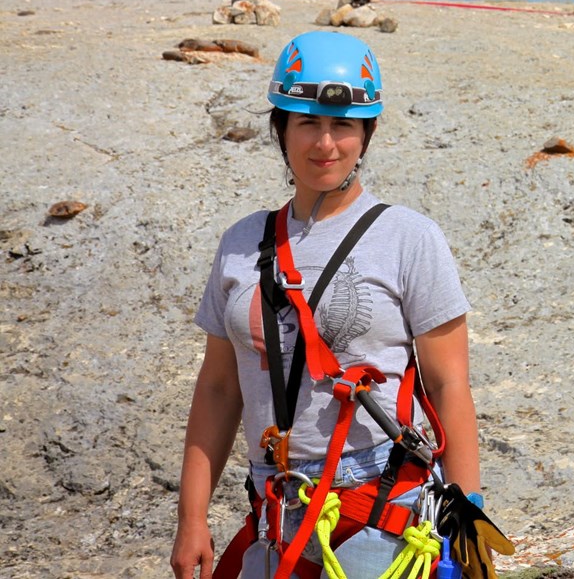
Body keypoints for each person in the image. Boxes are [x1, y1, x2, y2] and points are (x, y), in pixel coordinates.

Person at [170, 31, 508, 579]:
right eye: (307, 123)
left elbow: (449, 383)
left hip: (380, 508)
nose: (325, 144)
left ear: (366, 135)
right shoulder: (240, 242)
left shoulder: (408, 238)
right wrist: (192, 518)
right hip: (273, 507)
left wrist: (467, 516)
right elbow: (218, 386)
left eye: (343, 126)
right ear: (280, 129)